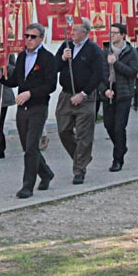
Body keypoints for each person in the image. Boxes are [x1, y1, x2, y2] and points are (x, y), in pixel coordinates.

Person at [0, 22, 57, 198]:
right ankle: (46, 172)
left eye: (33, 36)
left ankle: (27, 186)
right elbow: (15, 80)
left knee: (32, 147)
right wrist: (1, 78)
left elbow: (51, 85)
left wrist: (30, 93)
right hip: (22, 108)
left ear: (41, 38)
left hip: (38, 106)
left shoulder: (48, 58)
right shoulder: (22, 56)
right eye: (27, 36)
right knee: (27, 146)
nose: (29, 39)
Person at [54, 18, 103, 185]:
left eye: (76, 29)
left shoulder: (93, 49)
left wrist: (83, 94)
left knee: (84, 134)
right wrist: (62, 58)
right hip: (66, 95)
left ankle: (79, 169)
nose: (72, 32)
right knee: (63, 130)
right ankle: (82, 156)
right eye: (72, 29)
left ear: (85, 32)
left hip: (85, 96)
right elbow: (54, 67)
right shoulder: (66, 45)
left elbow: (98, 74)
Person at [102, 23, 138, 172]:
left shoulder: (131, 52)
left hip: (123, 93)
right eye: (110, 33)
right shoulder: (105, 51)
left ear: (123, 35)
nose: (112, 35)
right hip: (109, 92)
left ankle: (117, 159)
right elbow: (100, 74)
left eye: (115, 33)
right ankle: (121, 146)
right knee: (108, 125)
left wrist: (116, 63)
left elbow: (133, 72)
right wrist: (104, 90)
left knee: (119, 127)